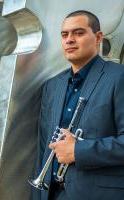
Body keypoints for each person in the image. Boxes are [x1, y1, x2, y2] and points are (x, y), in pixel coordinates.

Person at [31, 10, 124, 200]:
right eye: (64, 35)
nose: (69, 39)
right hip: (53, 194)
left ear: (98, 37)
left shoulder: (119, 77)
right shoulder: (52, 85)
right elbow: (43, 146)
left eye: (79, 33)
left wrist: (78, 151)